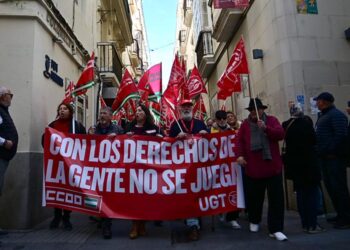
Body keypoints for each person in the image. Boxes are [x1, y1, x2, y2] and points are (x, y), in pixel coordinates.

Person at [236, 98, 287, 241]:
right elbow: (239, 141)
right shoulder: (245, 125)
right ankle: (254, 220)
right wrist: (240, 155)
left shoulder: (272, 120)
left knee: (276, 199)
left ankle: (275, 228)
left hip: (272, 167)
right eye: (252, 109)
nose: (254, 112)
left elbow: (280, 134)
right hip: (253, 168)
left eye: (257, 109)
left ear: (262, 109)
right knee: (254, 199)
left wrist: (266, 128)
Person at [43, 102, 86, 230]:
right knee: (57, 189)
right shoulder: (52, 125)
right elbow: (44, 142)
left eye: (65, 109)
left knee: (68, 189)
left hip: (70, 164)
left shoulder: (77, 126)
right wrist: (46, 134)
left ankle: (66, 217)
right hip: (56, 164)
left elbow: (84, 143)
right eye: (60, 109)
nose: (62, 111)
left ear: (70, 111)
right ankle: (56, 216)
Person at [169, 99, 208, 241]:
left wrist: (206, 133)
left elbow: (210, 142)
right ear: (179, 109)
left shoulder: (199, 123)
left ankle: (195, 223)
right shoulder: (175, 125)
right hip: (181, 168)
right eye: (184, 106)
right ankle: (193, 225)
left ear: (192, 108)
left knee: (196, 194)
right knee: (187, 195)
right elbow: (168, 144)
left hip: (198, 167)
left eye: (189, 106)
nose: (186, 108)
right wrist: (175, 138)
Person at [282, 103, 324, 233]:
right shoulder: (306, 124)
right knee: (311, 194)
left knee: (300, 194)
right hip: (308, 164)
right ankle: (312, 224)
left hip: (294, 165)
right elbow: (313, 140)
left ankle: (305, 223)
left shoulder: (286, 125)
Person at [125, 103, 163, 239]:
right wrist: (125, 137)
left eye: (140, 111)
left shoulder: (154, 128)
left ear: (146, 114)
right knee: (134, 198)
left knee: (145, 198)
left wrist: (161, 139)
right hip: (133, 168)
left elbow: (164, 143)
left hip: (149, 169)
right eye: (136, 111)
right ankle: (135, 225)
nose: (137, 113)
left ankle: (142, 224)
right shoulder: (129, 127)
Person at [314, 92, 350, 229]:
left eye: (318, 101)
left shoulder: (337, 115)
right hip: (325, 159)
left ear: (324, 102)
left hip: (334, 159)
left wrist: (329, 149)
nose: (317, 103)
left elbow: (341, 135)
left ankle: (346, 217)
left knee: (339, 188)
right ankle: (340, 213)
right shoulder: (323, 116)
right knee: (331, 187)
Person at [91, 107, 124, 239]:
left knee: (107, 197)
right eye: (101, 113)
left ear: (111, 117)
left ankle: (107, 225)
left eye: (105, 113)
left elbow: (127, 145)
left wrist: (118, 138)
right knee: (96, 195)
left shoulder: (118, 130)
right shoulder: (93, 129)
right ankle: (100, 217)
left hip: (112, 169)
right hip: (96, 169)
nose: (102, 116)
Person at [211, 110, 241, 230]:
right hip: (216, 165)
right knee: (218, 190)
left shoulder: (232, 130)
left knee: (233, 189)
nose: (222, 120)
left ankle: (232, 217)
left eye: (224, 118)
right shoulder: (211, 130)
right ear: (216, 119)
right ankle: (220, 210)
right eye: (219, 118)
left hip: (231, 165)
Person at [0, 87, 18, 239]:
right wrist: (3, 141)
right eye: (10, 95)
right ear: (3, 96)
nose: (11, 97)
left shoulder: (3, 111)